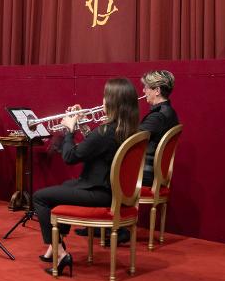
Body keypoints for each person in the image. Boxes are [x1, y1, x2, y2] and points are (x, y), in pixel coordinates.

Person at [33, 78, 140, 277]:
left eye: (105, 97)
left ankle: (60, 253)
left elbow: (70, 157)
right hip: (111, 190)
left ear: (113, 102)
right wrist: (82, 123)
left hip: (100, 194)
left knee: (40, 197)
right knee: (66, 185)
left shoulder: (105, 132)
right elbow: (94, 148)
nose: (102, 102)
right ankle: (55, 246)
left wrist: (69, 130)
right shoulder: (126, 129)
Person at [75, 70, 179, 243]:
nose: (144, 91)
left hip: (144, 174)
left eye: (146, 88)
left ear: (157, 90)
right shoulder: (167, 112)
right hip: (151, 171)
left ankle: (114, 226)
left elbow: (125, 143)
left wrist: (108, 123)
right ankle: (99, 224)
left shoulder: (157, 117)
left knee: (98, 171)